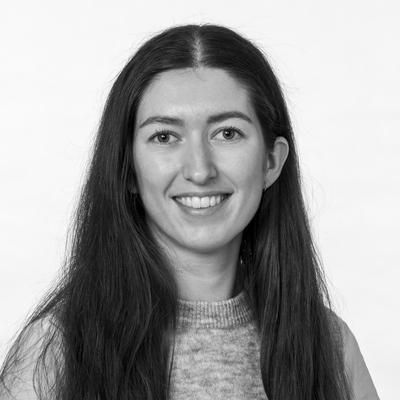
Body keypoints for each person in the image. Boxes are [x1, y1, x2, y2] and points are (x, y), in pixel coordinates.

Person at [0, 24, 380, 400]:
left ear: (271, 162)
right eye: (165, 137)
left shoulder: (331, 348)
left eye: (227, 133)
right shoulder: (55, 352)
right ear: (128, 169)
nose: (199, 170)